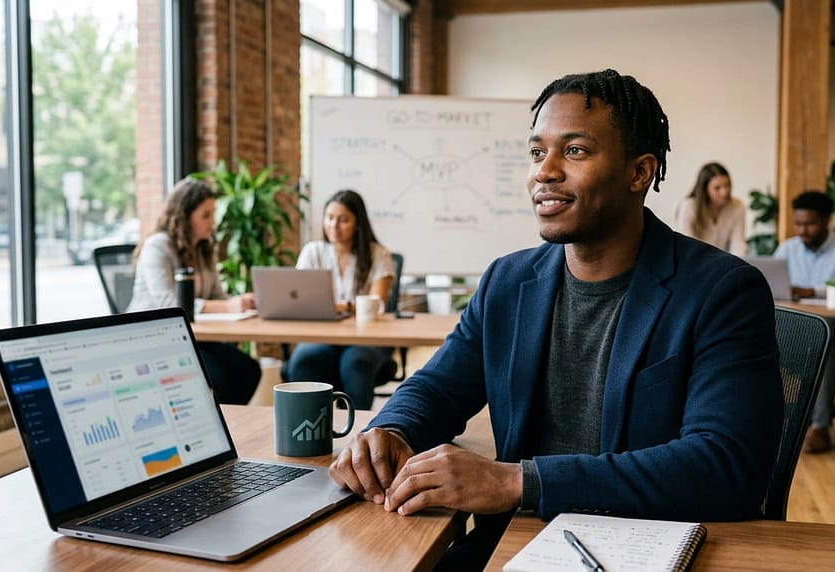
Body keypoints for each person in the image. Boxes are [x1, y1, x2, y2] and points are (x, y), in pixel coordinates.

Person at [328, 68, 782, 567]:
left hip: (641, 549)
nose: (544, 171)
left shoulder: (721, 290)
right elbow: (436, 388)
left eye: (575, 151)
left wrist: (517, 481)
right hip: (512, 545)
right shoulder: (507, 281)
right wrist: (392, 432)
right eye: (537, 152)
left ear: (640, 172)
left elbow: (726, 465)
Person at [127, 177, 260, 405]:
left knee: (248, 370)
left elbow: (216, 295)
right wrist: (227, 306)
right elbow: (168, 303)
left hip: (193, 335)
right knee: (221, 377)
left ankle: (227, 427)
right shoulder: (158, 246)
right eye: (205, 215)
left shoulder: (203, 248)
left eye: (212, 214)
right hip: (155, 336)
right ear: (184, 216)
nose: (212, 221)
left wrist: (239, 302)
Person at [773, 190, 835, 453]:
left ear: (826, 221)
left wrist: (811, 291)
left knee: (823, 338)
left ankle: (819, 426)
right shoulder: (787, 249)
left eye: (810, 224)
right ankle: (772, 422)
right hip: (795, 325)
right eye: (798, 223)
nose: (802, 230)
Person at [286, 189, 394, 410]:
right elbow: (300, 299)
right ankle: (309, 426)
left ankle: (357, 434)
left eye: (343, 220)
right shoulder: (313, 252)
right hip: (321, 336)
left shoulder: (377, 254)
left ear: (358, 223)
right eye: (330, 218)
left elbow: (378, 302)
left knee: (356, 363)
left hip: (366, 339)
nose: (334, 225)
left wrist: (342, 307)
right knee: (305, 361)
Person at [675, 162, 747, 256]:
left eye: (727, 185)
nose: (724, 192)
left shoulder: (737, 206)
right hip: (694, 263)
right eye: (717, 188)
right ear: (705, 189)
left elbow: (738, 245)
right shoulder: (689, 206)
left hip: (721, 263)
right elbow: (686, 246)